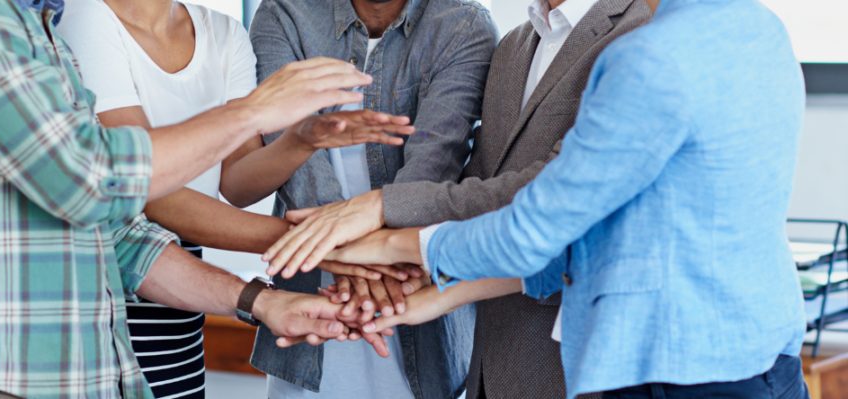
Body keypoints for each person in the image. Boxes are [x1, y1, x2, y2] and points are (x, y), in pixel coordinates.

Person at [0, 0, 384, 396]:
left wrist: (261, 301)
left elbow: (118, 236)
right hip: (1, 377)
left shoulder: (39, 33)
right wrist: (251, 113)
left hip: (94, 371)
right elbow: (93, 177)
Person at [312, 0, 810, 397]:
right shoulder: (756, 26)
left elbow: (535, 228)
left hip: (679, 372)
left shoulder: (648, 55)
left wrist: (389, 242)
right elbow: (606, 232)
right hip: (756, 360)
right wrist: (442, 293)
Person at [262, 0, 650, 396]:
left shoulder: (645, 32)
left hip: (576, 359)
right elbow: (479, 181)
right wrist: (395, 264)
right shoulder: (515, 45)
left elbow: (554, 196)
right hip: (483, 356)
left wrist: (380, 216)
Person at [53, 0, 416, 397]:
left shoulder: (223, 32)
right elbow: (142, 188)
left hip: (184, 291)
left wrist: (301, 141)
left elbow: (239, 184)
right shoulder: (83, 19)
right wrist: (314, 242)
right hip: (108, 290)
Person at [247, 0, 498, 398]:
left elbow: (433, 166)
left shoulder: (463, 22)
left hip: (416, 307)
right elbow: (292, 157)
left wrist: (357, 256)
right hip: (315, 304)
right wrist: (358, 260)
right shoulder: (284, 13)